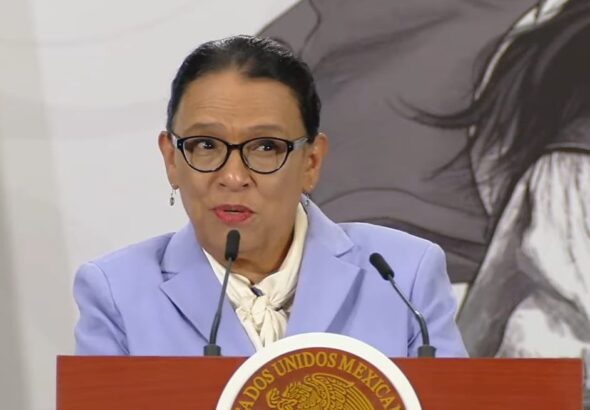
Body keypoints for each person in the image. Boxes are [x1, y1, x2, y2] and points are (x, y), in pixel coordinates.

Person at [73, 35, 466, 357]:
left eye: (265, 147)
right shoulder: (117, 293)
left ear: (311, 162)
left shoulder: (402, 276)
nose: (233, 177)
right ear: (172, 159)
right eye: (206, 144)